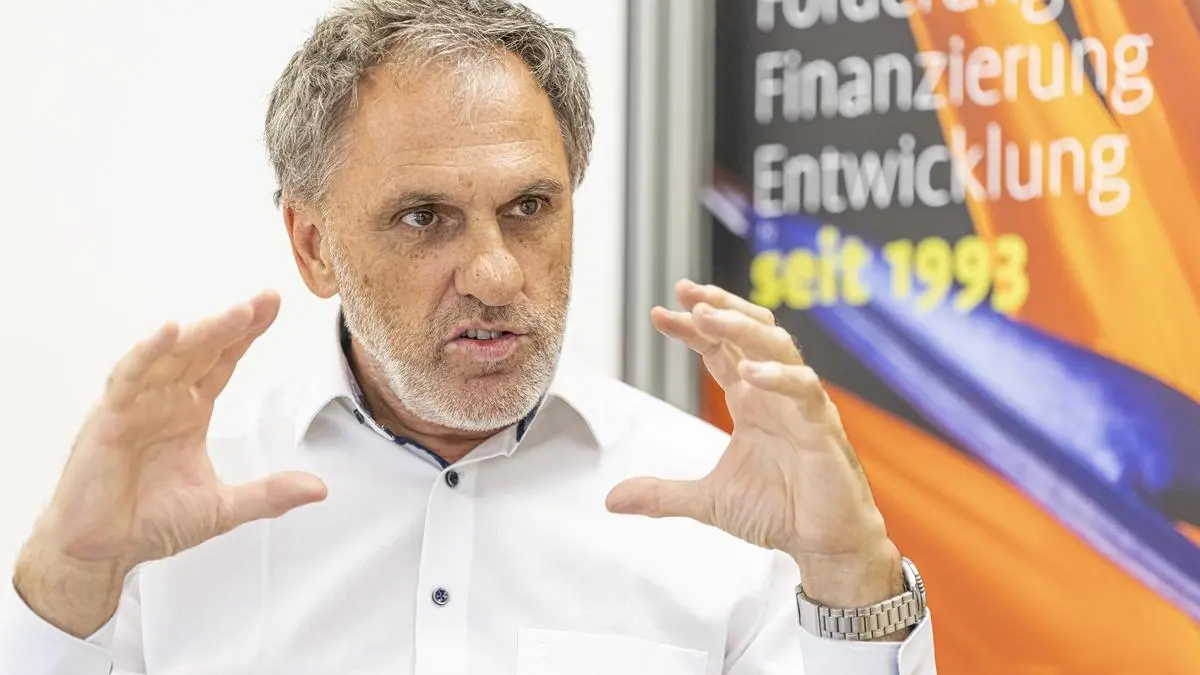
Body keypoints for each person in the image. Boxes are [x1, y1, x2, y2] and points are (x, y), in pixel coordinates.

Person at [0, 1, 937, 673]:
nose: (495, 273)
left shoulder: (725, 508)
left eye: (529, 207)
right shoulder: (177, 519)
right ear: (315, 245)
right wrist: (69, 576)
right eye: (424, 218)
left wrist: (848, 573)